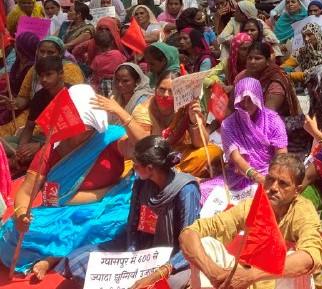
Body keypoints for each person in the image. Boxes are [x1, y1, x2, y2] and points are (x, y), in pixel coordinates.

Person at [0, 85, 135, 274]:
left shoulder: (110, 138)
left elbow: (142, 148)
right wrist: (22, 214)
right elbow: (26, 191)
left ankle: (54, 258)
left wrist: (121, 113)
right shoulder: (50, 148)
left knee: (108, 223)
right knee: (13, 237)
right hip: (59, 211)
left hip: (107, 204)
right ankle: (59, 253)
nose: (81, 131)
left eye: (87, 127)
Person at [55, 136, 200, 288]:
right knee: (80, 258)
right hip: (142, 245)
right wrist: (132, 255)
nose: (132, 169)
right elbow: (133, 223)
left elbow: (190, 245)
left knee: (162, 284)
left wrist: (159, 272)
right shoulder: (141, 182)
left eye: (135, 165)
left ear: (150, 169)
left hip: (175, 256)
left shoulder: (187, 190)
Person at [179, 153, 322, 289]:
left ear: (297, 190)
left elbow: (310, 257)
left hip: (271, 281)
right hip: (245, 280)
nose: (273, 188)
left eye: (283, 184)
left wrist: (250, 276)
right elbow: (188, 233)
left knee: (295, 260)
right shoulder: (252, 205)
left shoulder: (303, 210)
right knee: (205, 242)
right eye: (270, 179)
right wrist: (214, 273)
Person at [200, 77, 287, 200]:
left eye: (250, 100)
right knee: (204, 193)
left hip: (270, 174)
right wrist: (255, 176)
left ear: (258, 98)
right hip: (239, 175)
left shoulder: (273, 120)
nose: (245, 105)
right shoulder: (228, 124)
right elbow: (236, 157)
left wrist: (272, 178)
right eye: (242, 100)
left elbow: (281, 155)